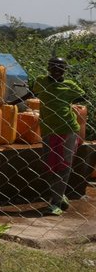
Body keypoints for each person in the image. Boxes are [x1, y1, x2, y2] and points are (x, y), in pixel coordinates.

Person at [28, 56, 86, 215]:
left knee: (63, 166)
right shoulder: (41, 82)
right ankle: (59, 195)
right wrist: (12, 102)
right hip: (48, 129)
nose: (56, 70)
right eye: (53, 66)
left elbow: (83, 97)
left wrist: (70, 104)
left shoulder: (70, 85)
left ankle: (56, 203)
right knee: (50, 165)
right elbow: (30, 94)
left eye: (60, 67)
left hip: (67, 129)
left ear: (65, 70)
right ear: (48, 68)